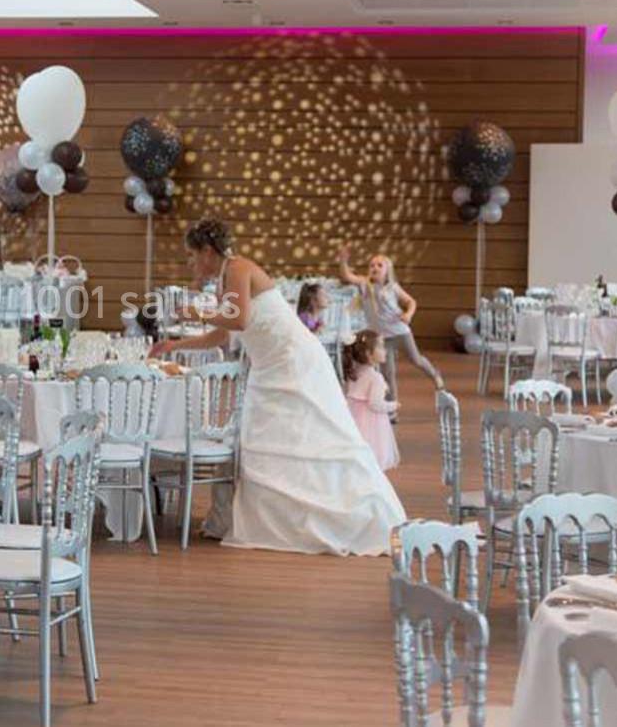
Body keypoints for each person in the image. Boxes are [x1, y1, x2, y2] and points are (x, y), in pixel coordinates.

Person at [151, 218, 405, 556]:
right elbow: (226, 335)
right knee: (269, 440)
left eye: (191, 255)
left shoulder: (237, 268)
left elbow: (239, 319)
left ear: (208, 252)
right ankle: (286, 519)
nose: (190, 263)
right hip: (271, 366)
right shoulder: (226, 278)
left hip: (293, 361)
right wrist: (174, 346)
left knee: (315, 436)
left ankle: (348, 517)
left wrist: (197, 311)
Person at [337, 247, 444, 405]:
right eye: (372, 265)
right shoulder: (364, 284)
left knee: (416, 360)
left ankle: (435, 375)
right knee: (388, 372)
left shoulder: (392, 287)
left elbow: (411, 302)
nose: (375, 268)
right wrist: (343, 261)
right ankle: (392, 405)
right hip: (382, 337)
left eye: (380, 265)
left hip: (400, 332)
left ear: (388, 271)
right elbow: (347, 275)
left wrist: (408, 314)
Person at [342, 330, 400, 471]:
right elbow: (376, 404)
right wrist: (393, 405)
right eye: (381, 346)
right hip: (371, 424)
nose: (385, 350)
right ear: (369, 354)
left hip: (353, 419)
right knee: (374, 454)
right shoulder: (375, 378)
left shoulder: (354, 373)